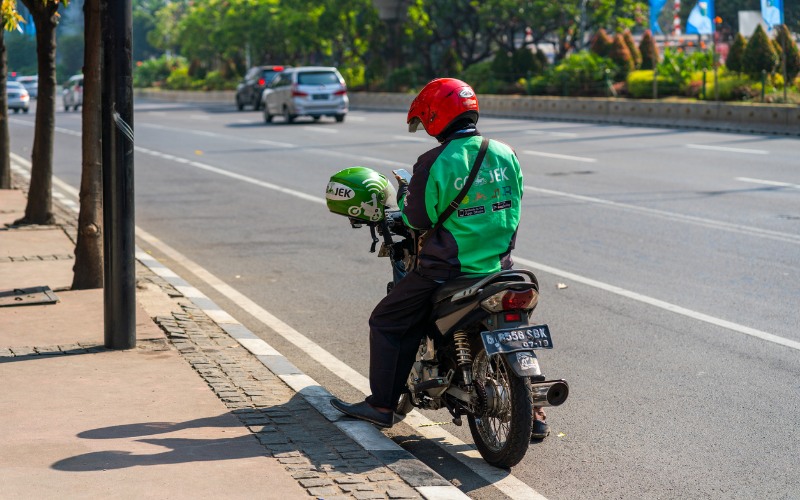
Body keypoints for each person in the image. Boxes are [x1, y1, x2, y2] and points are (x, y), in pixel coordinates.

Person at [330, 78, 549, 439]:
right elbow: (517, 198)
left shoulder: (434, 162)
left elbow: (416, 219)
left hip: (445, 271)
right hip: (499, 266)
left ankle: (382, 405)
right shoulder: (505, 152)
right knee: (516, 328)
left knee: (387, 320)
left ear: (434, 116)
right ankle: (536, 411)